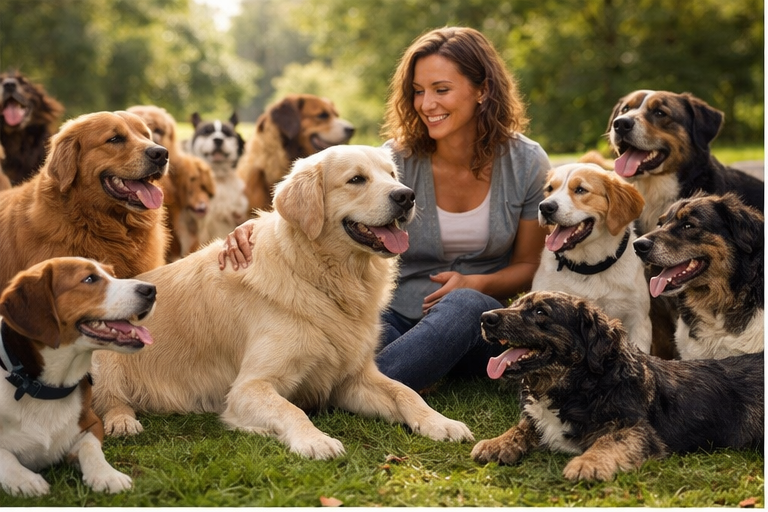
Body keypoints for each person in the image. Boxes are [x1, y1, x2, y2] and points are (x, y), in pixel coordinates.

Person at [218, 26, 550, 393]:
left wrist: (477, 283)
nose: (427, 105)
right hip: (392, 313)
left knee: (464, 304)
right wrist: (254, 231)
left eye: (441, 90)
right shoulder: (393, 160)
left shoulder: (526, 163)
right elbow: (329, 202)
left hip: (480, 323)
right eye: (418, 92)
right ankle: (391, 377)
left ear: (483, 90)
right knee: (365, 334)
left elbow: (529, 265)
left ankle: (357, 385)